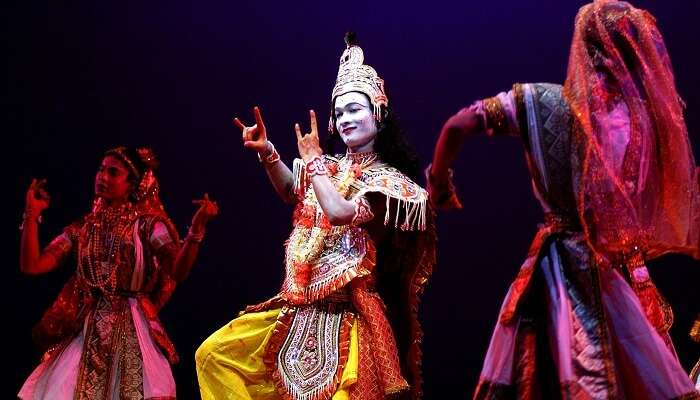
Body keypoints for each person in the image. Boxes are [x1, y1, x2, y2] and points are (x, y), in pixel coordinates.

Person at [428, 1, 700, 398]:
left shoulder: (542, 102)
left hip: (561, 267)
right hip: (622, 269)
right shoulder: (643, 120)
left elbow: (458, 124)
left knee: (563, 374)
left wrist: (439, 184)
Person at [196, 33, 436, 400]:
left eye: (355, 109)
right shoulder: (327, 167)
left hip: (350, 318)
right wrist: (268, 154)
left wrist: (314, 164)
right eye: (339, 113)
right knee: (213, 355)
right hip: (299, 307)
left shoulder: (392, 186)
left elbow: (340, 213)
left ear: (379, 113)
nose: (345, 120)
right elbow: (294, 190)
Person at [19, 146, 218, 399]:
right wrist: (32, 215)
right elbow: (33, 265)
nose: (102, 177)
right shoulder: (84, 227)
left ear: (132, 184)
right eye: (101, 170)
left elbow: (177, 270)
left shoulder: (147, 226)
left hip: (133, 324)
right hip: (86, 326)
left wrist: (195, 232)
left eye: (113, 173)